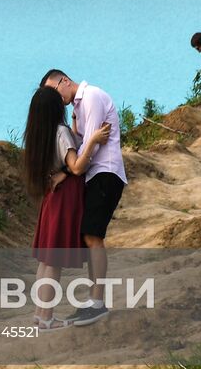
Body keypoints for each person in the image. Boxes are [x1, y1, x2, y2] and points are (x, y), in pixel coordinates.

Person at [40, 69, 126, 325]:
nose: (55, 99)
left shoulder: (90, 97)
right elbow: (82, 143)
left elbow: (92, 145)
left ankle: (97, 303)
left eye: (54, 91)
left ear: (64, 81)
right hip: (96, 174)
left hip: (105, 172)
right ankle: (93, 301)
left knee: (93, 236)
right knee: (90, 236)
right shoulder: (80, 105)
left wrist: (67, 171)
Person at [23, 85, 112, 331]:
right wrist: (93, 138)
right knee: (54, 261)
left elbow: (62, 156)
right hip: (65, 199)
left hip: (52, 199)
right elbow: (75, 166)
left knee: (45, 260)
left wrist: (75, 128)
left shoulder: (39, 134)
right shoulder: (60, 131)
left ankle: (40, 315)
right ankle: (48, 318)